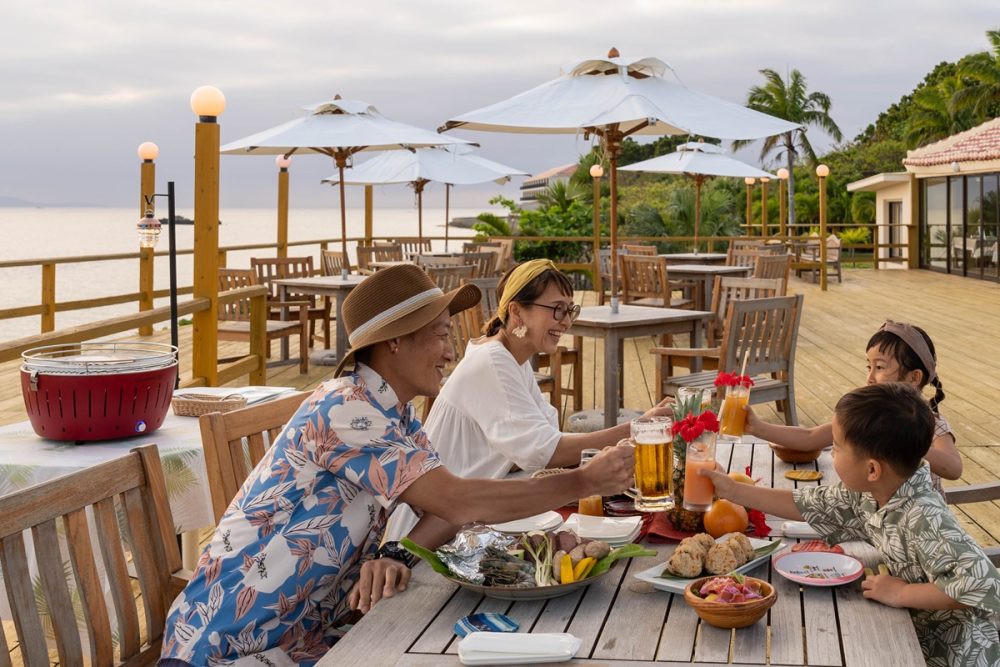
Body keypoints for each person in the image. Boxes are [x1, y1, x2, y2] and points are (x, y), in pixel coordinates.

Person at [159, 264, 635, 667]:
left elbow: (450, 507)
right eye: (441, 335)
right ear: (394, 342)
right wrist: (585, 479)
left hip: (309, 635)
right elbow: (458, 498)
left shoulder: (395, 412)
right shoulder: (347, 408)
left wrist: (398, 553)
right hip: (230, 646)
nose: (451, 352)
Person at [703, 383, 1000, 667]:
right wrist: (734, 491)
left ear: (872, 469)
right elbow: (807, 504)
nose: (831, 454)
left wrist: (902, 593)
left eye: (836, 446)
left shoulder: (924, 516)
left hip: (958, 653)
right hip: (910, 633)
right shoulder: (874, 493)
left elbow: (983, 582)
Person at [384, 258, 670, 541]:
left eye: (570, 310)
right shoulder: (492, 361)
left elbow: (540, 445)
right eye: (557, 310)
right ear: (517, 312)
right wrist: (639, 428)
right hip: (425, 540)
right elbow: (546, 451)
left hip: (473, 520)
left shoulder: (513, 360)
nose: (567, 321)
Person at [746, 320, 961, 491]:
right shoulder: (868, 417)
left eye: (879, 367)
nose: (869, 377)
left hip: (919, 529)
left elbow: (953, 468)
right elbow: (810, 438)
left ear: (914, 378)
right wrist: (757, 427)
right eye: (869, 366)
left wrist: (903, 441)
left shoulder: (932, 424)